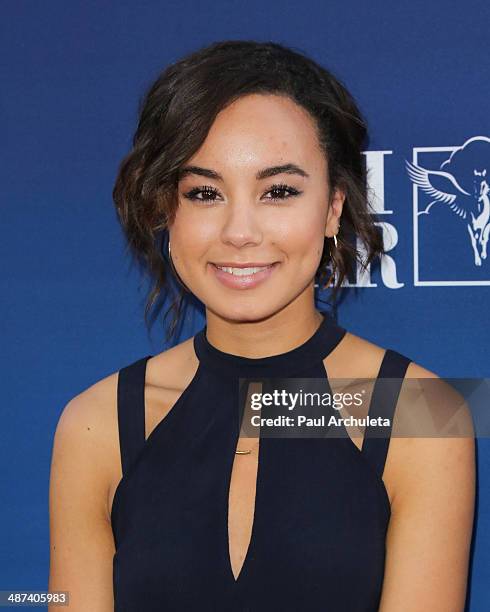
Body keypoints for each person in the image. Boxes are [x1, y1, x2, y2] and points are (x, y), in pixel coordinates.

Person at [48, 40, 476, 611]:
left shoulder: (426, 412)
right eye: (204, 192)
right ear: (164, 211)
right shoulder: (96, 423)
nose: (240, 231)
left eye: (279, 191)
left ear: (332, 209)